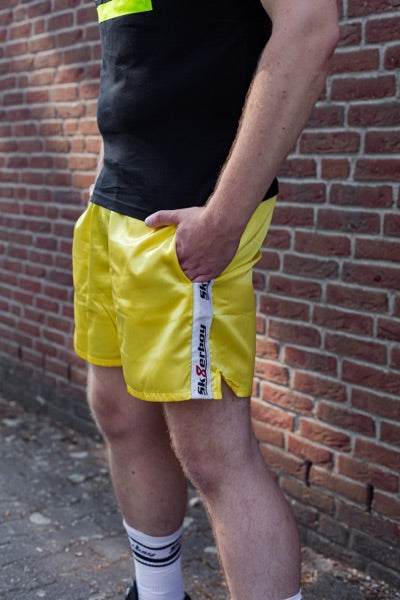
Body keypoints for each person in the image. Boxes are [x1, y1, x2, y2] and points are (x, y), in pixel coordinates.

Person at [72, 0, 339, 598]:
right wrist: (104, 179)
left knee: (213, 454)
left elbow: (310, 29)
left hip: (186, 218)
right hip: (114, 208)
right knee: (119, 413)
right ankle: (157, 592)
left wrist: (225, 217)